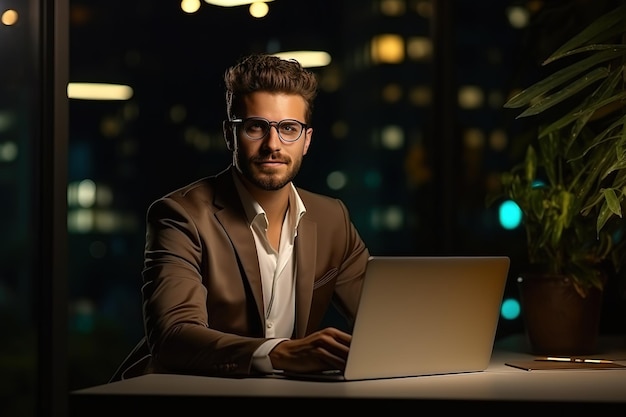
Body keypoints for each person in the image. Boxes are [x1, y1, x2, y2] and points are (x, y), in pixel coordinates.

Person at [110, 53, 370, 381]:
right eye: (255, 127)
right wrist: (280, 353)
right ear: (229, 134)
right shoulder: (180, 215)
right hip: (180, 398)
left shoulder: (333, 218)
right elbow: (173, 336)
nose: (272, 144)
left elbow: (381, 320)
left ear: (307, 140)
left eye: (289, 128)